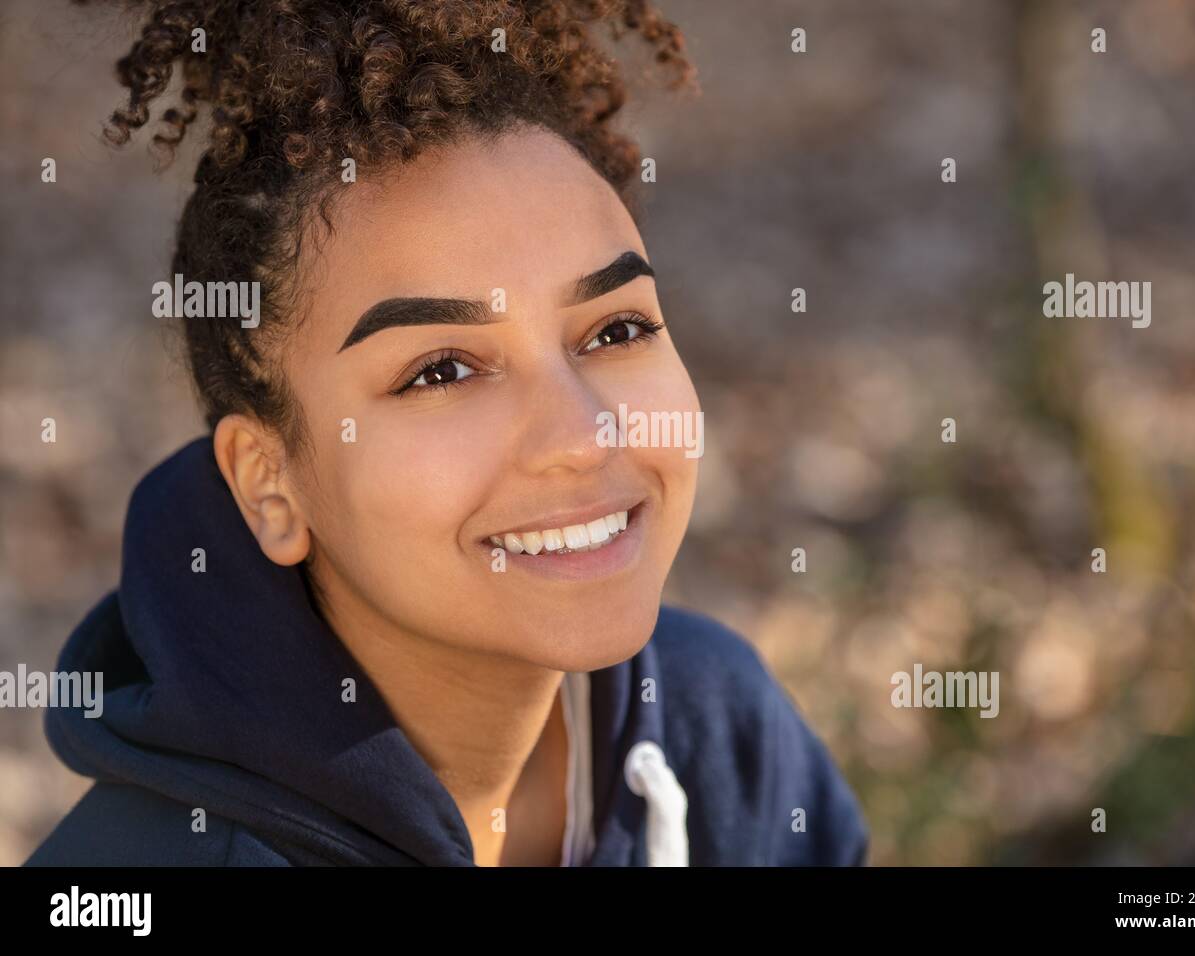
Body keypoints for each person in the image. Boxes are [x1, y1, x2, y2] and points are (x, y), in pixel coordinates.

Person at [27, 0, 869, 866]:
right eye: (441, 371)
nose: (581, 436)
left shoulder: (721, 734)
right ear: (268, 485)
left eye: (616, 331)